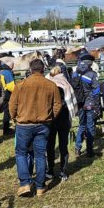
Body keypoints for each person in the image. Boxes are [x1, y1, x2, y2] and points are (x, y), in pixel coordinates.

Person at [9, 59, 62, 197]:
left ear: (30, 69)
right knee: (40, 155)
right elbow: (57, 105)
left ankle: (25, 183)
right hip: (43, 124)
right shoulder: (51, 85)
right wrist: (50, 117)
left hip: (24, 124)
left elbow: (12, 105)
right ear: (43, 69)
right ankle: (40, 186)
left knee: (21, 153)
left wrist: (15, 118)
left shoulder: (21, 85)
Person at [45, 65, 76, 181]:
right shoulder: (66, 83)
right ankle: (63, 171)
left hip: (52, 118)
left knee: (50, 145)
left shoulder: (48, 84)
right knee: (63, 145)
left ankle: (50, 170)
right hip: (64, 117)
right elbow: (71, 100)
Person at [72, 57, 100, 157]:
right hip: (90, 104)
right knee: (90, 126)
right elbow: (96, 91)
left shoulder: (75, 73)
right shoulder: (92, 74)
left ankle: (77, 148)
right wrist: (97, 106)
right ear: (90, 64)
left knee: (82, 125)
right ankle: (89, 150)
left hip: (79, 103)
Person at [0, 59, 15, 135]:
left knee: (5, 111)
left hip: (1, 92)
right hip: (6, 93)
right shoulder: (7, 72)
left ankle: (6, 128)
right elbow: (11, 87)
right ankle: (6, 130)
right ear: (11, 65)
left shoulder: (1, 71)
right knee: (7, 111)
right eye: (13, 66)